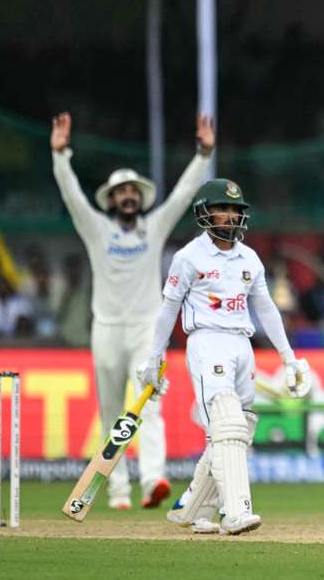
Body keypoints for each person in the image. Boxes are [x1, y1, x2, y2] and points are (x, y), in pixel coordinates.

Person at [50, 112, 216, 510]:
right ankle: (118, 490)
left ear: (139, 199)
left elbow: (182, 195)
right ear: (111, 200)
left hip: (146, 329)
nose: (127, 197)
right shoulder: (96, 228)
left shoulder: (153, 227)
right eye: (120, 192)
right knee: (110, 413)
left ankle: (153, 480)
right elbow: (72, 195)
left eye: (132, 192)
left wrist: (203, 153)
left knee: (150, 405)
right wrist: (60, 156)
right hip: (105, 329)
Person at [140, 178, 310, 535]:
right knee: (228, 423)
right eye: (222, 209)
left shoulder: (249, 258)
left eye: (235, 210)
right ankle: (235, 512)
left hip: (241, 344)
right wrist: (154, 357)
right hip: (207, 341)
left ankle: (192, 508)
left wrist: (289, 358)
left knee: (238, 429)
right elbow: (167, 309)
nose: (230, 216)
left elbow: (265, 308)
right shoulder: (188, 258)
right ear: (204, 213)